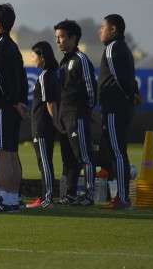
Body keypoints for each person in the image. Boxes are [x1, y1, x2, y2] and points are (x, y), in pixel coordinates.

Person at [0, 3, 29, 213]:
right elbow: (22, 77)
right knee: (10, 153)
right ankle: (13, 198)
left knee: (1, 153)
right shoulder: (12, 45)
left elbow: (0, 79)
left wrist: (12, 101)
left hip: (3, 106)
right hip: (13, 106)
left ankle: (8, 199)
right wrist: (21, 102)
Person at [97, 13, 140, 210]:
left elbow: (119, 76)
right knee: (114, 151)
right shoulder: (123, 48)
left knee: (117, 151)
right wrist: (134, 94)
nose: (100, 30)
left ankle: (122, 198)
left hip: (115, 107)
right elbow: (130, 77)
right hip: (117, 107)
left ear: (113, 29)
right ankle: (120, 197)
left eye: (103, 27)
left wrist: (131, 96)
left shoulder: (112, 47)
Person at [54, 18, 98, 207]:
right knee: (69, 158)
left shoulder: (81, 60)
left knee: (84, 156)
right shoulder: (63, 62)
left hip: (77, 117)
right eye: (57, 37)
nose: (58, 41)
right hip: (65, 118)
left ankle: (89, 195)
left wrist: (85, 112)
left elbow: (91, 90)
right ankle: (71, 194)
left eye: (62, 37)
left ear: (73, 38)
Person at [27, 41, 62, 209]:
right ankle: (44, 198)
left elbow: (50, 102)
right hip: (42, 125)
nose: (32, 59)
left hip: (42, 126)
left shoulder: (45, 75)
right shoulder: (51, 74)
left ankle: (48, 200)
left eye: (34, 56)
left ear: (42, 57)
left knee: (45, 163)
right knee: (45, 162)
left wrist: (54, 121)